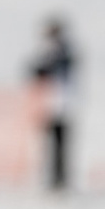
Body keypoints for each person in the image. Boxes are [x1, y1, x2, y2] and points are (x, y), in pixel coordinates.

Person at [30, 18, 77, 192]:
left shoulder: (61, 51)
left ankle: (59, 180)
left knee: (59, 145)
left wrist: (42, 70)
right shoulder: (54, 50)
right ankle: (54, 179)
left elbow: (49, 70)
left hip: (60, 106)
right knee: (51, 144)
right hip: (52, 105)